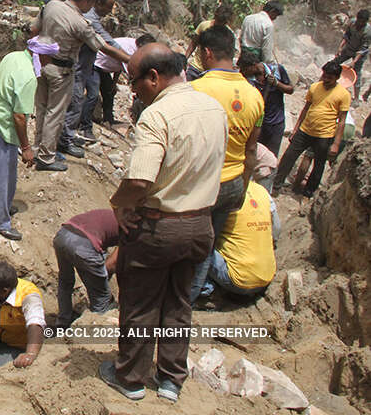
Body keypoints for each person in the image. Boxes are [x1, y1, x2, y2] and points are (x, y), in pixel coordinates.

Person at [98, 43, 226, 404]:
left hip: (159, 227)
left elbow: (139, 181)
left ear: (153, 78)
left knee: (139, 304)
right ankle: (171, 380)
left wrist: (118, 205)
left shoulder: (157, 116)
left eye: (134, 81)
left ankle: (131, 379)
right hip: (201, 225)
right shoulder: (213, 108)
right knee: (179, 302)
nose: (132, 90)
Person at [189, 26, 264, 303]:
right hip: (232, 183)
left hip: (201, 184)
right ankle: (193, 298)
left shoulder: (196, 88)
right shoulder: (255, 96)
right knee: (207, 246)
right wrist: (242, 187)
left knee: (185, 244)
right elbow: (252, 149)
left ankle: (174, 299)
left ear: (206, 53)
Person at [35, 0, 131, 171]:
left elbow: (33, 29)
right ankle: (46, 157)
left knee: (42, 110)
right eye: (92, 3)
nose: (92, 8)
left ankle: (40, 148)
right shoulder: (80, 23)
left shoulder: (52, 5)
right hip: (62, 71)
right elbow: (103, 46)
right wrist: (129, 59)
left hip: (42, 64)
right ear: (85, 1)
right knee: (55, 114)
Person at [0, 36, 59, 241]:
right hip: (4, 127)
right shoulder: (28, 78)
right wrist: (26, 147)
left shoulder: (13, 56)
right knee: (5, 174)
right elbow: (19, 117)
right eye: (49, 58)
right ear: (41, 56)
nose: (50, 62)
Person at [273, 61, 351, 198]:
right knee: (288, 157)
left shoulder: (343, 95)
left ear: (337, 78)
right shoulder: (315, 87)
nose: (326, 79)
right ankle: (275, 185)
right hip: (305, 131)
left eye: (330, 77)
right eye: (325, 75)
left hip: (324, 135)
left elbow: (342, 120)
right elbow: (306, 108)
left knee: (318, 165)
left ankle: (308, 193)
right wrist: (296, 128)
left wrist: (336, 144)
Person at [60, 0, 121, 150]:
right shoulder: (90, 19)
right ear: (97, 3)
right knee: (76, 102)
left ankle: (73, 133)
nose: (110, 11)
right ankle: (66, 140)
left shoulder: (91, 16)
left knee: (86, 98)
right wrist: (129, 58)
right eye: (108, 7)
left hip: (86, 66)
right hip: (79, 68)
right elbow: (105, 42)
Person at [199, 180, 276, 301]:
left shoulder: (222, 192)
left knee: (196, 243)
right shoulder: (262, 191)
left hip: (237, 281)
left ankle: (206, 290)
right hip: (266, 276)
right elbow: (277, 230)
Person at [54, 209, 119, 325]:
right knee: (102, 299)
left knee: (65, 281)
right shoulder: (132, 229)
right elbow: (111, 265)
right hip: (84, 245)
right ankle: (94, 329)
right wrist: (99, 285)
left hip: (62, 235)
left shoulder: (113, 215)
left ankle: (62, 322)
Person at [92, 33, 155, 127]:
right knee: (92, 94)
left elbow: (120, 67)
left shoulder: (133, 47)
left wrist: (114, 82)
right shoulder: (130, 51)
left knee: (109, 92)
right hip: (96, 65)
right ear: (142, 46)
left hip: (105, 68)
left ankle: (108, 120)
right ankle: (86, 123)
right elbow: (131, 72)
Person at [238, 51, 293, 156]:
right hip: (257, 124)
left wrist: (276, 84)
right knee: (252, 153)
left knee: (270, 157)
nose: (242, 72)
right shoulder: (247, 79)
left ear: (253, 66)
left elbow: (290, 90)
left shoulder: (277, 70)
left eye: (244, 69)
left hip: (275, 123)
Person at [184, 8, 236, 81]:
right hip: (196, 68)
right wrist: (185, 59)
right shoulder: (204, 26)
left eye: (223, 22)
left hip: (213, 73)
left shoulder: (227, 34)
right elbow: (193, 43)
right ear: (215, 16)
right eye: (219, 21)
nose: (219, 24)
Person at [333, 9, 371, 100]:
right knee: (334, 63)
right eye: (359, 21)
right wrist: (340, 48)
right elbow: (347, 36)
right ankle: (322, 83)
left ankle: (356, 98)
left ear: (365, 22)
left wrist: (354, 61)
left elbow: (363, 49)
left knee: (356, 73)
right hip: (349, 48)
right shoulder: (352, 23)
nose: (359, 23)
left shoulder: (368, 31)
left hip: (359, 54)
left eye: (362, 22)